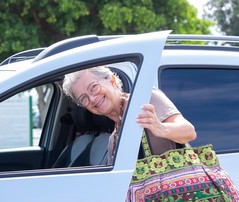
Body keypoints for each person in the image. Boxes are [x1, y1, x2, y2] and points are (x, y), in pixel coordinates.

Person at [62, 66, 196, 165]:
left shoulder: (145, 100)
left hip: (178, 196)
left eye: (93, 87)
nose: (92, 98)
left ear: (112, 80)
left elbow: (189, 132)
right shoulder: (113, 140)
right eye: (83, 98)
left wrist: (161, 128)